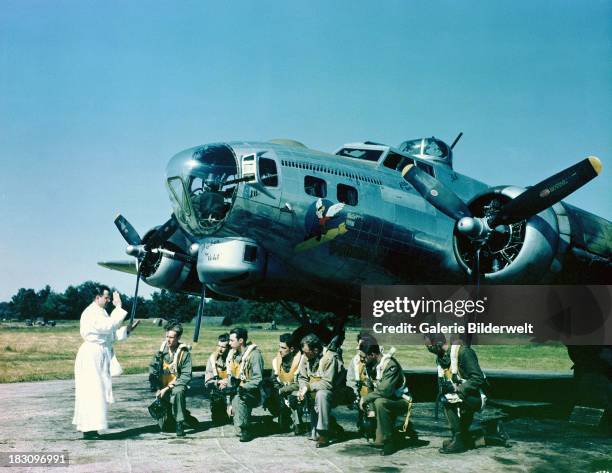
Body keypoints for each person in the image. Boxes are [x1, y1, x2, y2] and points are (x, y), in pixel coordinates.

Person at [72, 286, 139, 439]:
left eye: (109, 298)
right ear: (97, 297)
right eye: (106, 297)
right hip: (91, 355)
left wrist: (127, 330)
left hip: (99, 353)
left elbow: (110, 334)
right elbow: (108, 326)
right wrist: (119, 307)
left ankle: (93, 428)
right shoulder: (91, 312)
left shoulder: (101, 312)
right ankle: (89, 429)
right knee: (92, 391)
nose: (108, 300)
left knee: (98, 390)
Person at [427, 334, 487, 453]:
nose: (429, 350)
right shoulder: (441, 358)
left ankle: (458, 439)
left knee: (448, 399)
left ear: (438, 344)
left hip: (475, 396)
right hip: (462, 396)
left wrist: (458, 389)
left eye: (430, 347)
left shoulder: (464, 352)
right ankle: (461, 437)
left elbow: (478, 378)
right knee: (447, 397)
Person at [360, 344, 420, 455]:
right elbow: (370, 388)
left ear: (372, 355)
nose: (362, 360)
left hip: (402, 400)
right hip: (389, 400)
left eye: (364, 357)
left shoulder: (391, 365)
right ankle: (382, 435)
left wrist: (366, 399)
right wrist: (371, 408)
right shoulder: (371, 366)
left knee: (380, 402)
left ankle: (389, 442)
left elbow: (384, 391)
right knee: (375, 404)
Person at [148, 322, 196, 437]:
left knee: (178, 392)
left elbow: (185, 376)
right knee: (165, 427)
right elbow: (153, 371)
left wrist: (168, 388)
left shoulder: (184, 353)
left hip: (177, 385)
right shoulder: (160, 352)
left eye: (171, 337)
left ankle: (180, 422)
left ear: (178, 337)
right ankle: (185, 415)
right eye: (167, 337)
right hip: (163, 386)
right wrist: (157, 387)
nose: (168, 340)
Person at [297, 334, 343, 448]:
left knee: (322, 394)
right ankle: (332, 426)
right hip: (313, 390)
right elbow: (302, 378)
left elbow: (328, 383)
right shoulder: (305, 357)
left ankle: (324, 433)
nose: (304, 355)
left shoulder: (330, 358)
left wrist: (308, 387)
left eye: (307, 352)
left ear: (316, 350)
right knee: (294, 395)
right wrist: (302, 389)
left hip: (334, 392)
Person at [219, 327, 264, 442]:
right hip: (238, 390)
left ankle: (246, 429)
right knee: (230, 394)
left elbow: (258, 379)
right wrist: (228, 402)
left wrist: (242, 387)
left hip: (254, 392)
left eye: (231, 340)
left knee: (239, 396)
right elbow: (230, 378)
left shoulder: (254, 355)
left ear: (241, 341)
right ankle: (242, 425)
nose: (229, 343)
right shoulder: (232, 355)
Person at [269, 333, 303, 433]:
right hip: (281, 392)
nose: (280, 350)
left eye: (283, 348)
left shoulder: (301, 362)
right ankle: (283, 415)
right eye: (279, 347)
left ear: (291, 349)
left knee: (294, 398)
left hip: (297, 392)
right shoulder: (276, 361)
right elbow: (273, 379)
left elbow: (302, 382)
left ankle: (297, 421)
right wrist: (279, 389)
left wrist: (284, 390)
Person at [346, 333, 374, 438]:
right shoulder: (356, 360)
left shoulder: (377, 360)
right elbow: (350, 379)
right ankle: (363, 421)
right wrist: (353, 395)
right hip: (361, 392)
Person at [204, 333, 231, 425]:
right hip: (219, 390)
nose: (220, 349)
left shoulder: (235, 358)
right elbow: (207, 381)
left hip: (233, 389)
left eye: (223, 347)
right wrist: (219, 382)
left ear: (229, 348)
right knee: (218, 421)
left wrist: (228, 381)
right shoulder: (212, 359)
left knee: (237, 419)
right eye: (218, 345)